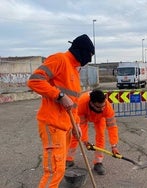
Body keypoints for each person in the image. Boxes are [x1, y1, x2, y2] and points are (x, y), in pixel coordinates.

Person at [27, 34, 95, 188]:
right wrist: (59, 95)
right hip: (52, 124)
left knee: (60, 167)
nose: (89, 59)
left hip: (65, 126)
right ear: (81, 51)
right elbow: (34, 81)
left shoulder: (74, 72)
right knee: (54, 170)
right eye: (90, 55)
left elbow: (74, 104)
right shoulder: (59, 59)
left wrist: (76, 124)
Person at [66, 89, 120, 175]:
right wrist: (85, 141)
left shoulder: (107, 107)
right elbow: (82, 125)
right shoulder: (81, 104)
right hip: (84, 115)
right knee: (76, 135)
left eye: (103, 106)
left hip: (99, 119)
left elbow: (112, 127)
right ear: (91, 103)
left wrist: (114, 145)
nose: (102, 109)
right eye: (99, 107)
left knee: (101, 135)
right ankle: (68, 159)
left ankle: (98, 162)